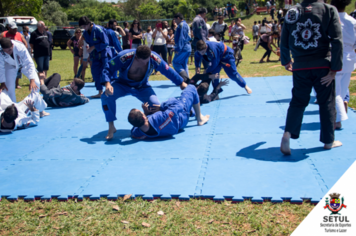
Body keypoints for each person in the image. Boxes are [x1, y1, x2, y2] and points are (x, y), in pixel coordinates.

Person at [280, 0, 343, 155]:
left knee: (298, 101)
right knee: (326, 102)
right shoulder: (328, 10)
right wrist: (334, 68)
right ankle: (328, 140)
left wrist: (286, 60)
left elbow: (284, 37)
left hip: (300, 65)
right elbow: (336, 40)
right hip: (322, 65)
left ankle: (287, 134)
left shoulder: (293, 11)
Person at [101, 45, 187, 140]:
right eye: (142, 62)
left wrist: (180, 82)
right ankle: (111, 126)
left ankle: (149, 127)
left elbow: (167, 70)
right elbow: (108, 67)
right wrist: (108, 84)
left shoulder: (153, 57)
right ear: (136, 56)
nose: (144, 64)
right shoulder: (124, 56)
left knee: (156, 106)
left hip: (142, 86)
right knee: (106, 96)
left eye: (147, 61)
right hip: (123, 84)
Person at [129, 85, 209, 139]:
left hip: (173, 126)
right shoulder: (160, 117)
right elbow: (179, 105)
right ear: (143, 117)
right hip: (181, 118)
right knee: (191, 88)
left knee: (187, 107)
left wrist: (146, 113)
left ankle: (193, 111)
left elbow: (134, 131)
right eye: (142, 113)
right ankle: (200, 119)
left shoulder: (138, 132)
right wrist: (162, 106)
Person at [331, 0, 356, 130]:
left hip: (335, 57)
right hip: (350, 58)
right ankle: (339, 118)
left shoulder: (330, 20)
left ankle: (338, 119)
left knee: (335, 93)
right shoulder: (352, 21)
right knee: (341, 90)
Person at [0, 38, 42, 105]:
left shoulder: (19, 46)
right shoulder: (0, 51)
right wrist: (2, 82)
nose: (8, 52)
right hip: (10, 65)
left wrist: (32, 80)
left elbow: (29, 62)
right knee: (9, 87)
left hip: (24, 64)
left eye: (9, 49)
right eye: (5, 51)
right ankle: (13, 108)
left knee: (36, 83)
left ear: (12, 45)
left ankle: (35, 106)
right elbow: (1, 67)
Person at [78, 16, 112, 98]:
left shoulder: (98, 29)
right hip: (95, 55)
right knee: (95, 72)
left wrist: (93, 47)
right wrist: (89, 49)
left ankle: (110, 91)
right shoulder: (85, 33)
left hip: (104, 53)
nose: (84, 28)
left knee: (106, 72)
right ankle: (100, 92)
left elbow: (106, 42)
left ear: (89, 24)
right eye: (82, 27)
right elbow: (89, 43)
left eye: (85, 26)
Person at [0, 22, 28, 90]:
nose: (15, 30)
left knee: (18, 70)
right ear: (9, 28)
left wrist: (23, 53)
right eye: (13, 29)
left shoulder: (19, 35)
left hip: (17, 56)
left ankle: (16, 83)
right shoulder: (3, 34)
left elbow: (25, 43)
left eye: (16, 28)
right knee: (5, 70)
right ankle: (4, 83)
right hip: (6, 55)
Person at [173, 13, 192, 83]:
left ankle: (186, 79)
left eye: (175, 19)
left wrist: (177, 48)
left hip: (183, 48)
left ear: (178, 18)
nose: (175, 21)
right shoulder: (185, 24)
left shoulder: (182, 25)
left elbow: (182, 38)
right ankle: (187, 80)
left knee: (175, 63)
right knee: (184, 64)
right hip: (186, 47)